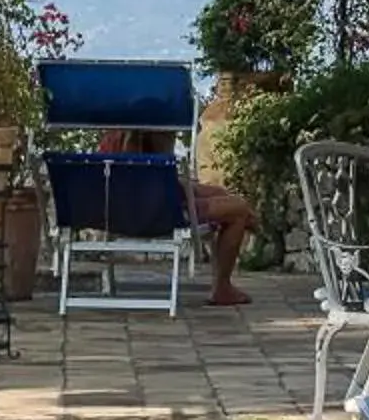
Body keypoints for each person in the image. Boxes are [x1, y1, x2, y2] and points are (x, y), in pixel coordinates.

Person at [98, 128, 257, 307]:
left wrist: (190, 188)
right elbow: (156, 190)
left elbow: (151, 183)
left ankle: (250, 226)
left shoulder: (112, 140)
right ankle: (222, 288)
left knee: (222, 195)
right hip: (157, 214)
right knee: (239, 210)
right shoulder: (158, 132)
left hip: (119, 213)